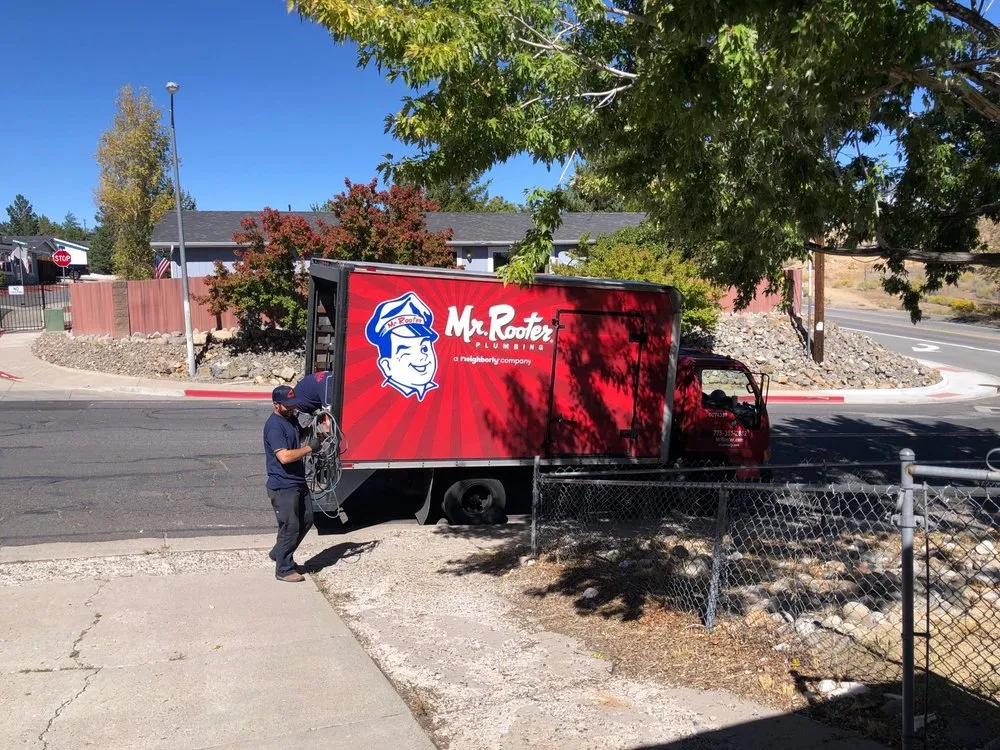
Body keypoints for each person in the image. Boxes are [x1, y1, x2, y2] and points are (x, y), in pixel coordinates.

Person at [263, 385, 321, 582]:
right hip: (282, 485)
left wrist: (315, 429)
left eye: (293, 405)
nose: (292, 408)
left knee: (306, 520)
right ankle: (284, 569)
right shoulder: (274, 426)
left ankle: (278, 552)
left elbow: (298, 436)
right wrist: (309, 449)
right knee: (291, 526)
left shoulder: (290, 418)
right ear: (276, 404)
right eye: (287, 406)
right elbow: (285, 457)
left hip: (297, 480)